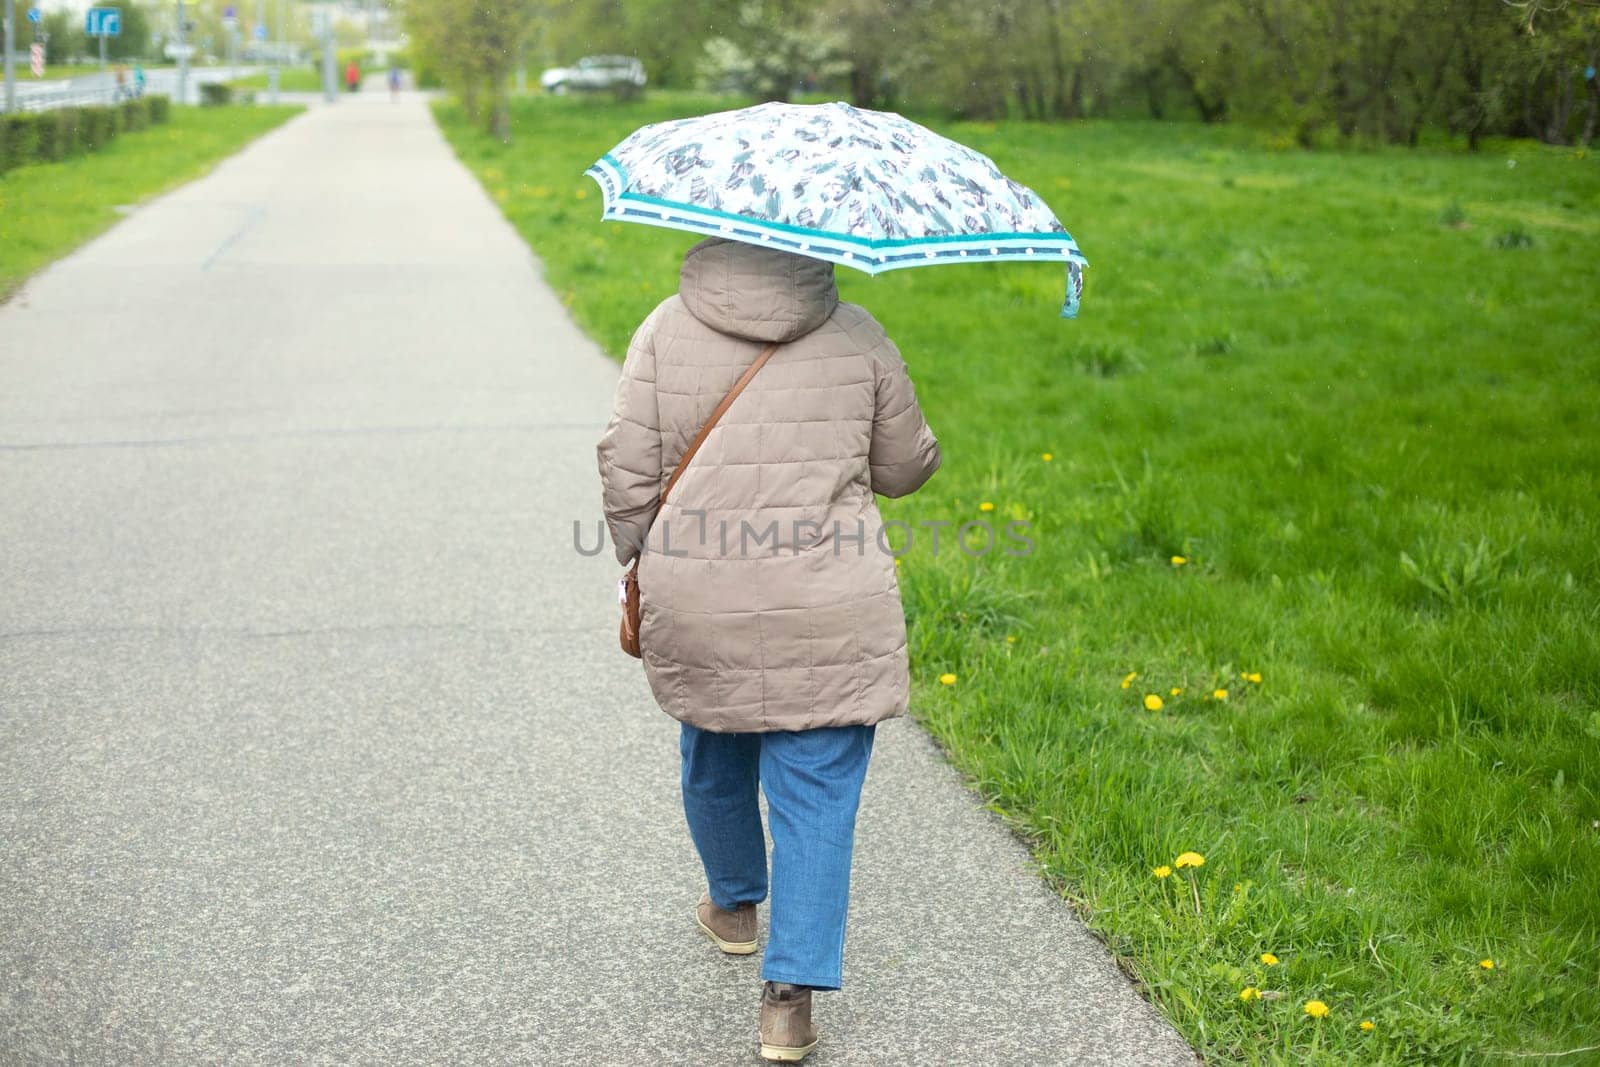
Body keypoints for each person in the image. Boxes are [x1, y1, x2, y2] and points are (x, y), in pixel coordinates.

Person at [596, 237, 940, 1062]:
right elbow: (905, 467)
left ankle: (734, 906)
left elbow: (624, 467)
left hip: (699, 596)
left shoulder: (665, 329)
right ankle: (788, 1004)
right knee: (818, 791)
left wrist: (635, 557)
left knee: (714, 744)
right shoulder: (858, 333)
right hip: (829, 603)